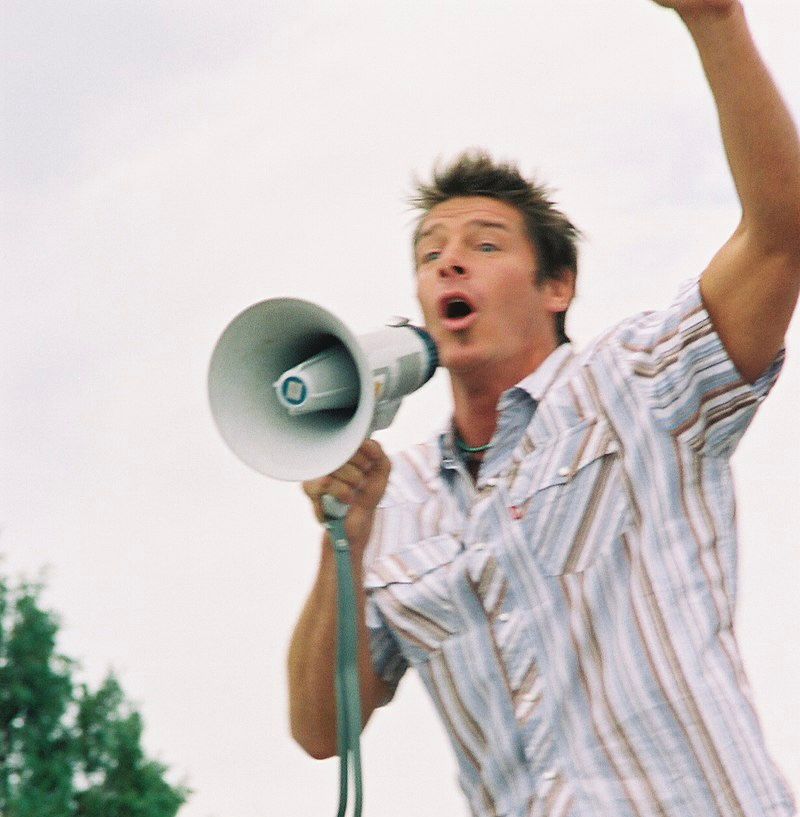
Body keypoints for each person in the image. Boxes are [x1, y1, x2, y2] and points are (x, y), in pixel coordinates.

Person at [287, 2, 800, 815]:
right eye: (430, 253)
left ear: (557, 285)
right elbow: (322, 728)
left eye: (485, 243)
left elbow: (780, 237)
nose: (449, 261)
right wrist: (341, 542)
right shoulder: (395, 500)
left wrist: (715, 20)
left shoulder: (637, 384)